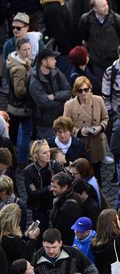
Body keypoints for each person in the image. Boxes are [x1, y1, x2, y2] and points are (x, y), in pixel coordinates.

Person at [62, 77, 108, 181]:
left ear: (90, 89)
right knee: (81, 176)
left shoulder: (98, 100)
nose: (83, 93)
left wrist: (100, 127)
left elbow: (105, 118)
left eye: (86, 90)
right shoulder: (69, 105)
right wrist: (78, 131)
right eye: (80, 90)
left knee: (96, 174)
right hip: (80, 145)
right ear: (75, 91)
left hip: (96, 144)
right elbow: (66, 126)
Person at [78, 0, 120, 75]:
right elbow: (84, 36)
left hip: (115, 60)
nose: (106, 8)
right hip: (97, 61)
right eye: (103, 6)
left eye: (106, 4)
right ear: (94, 8)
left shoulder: (117, 19)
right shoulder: (86, 20)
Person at [29, 49, 72, 140]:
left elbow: (68, 91)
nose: (55, 61)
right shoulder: (34, 81)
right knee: (49, 148)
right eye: (52, 59)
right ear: (44, 62)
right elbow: (44, 103)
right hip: (45, 123)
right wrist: (62, 101)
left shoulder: (56, 72)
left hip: (60, 118)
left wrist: (55, 96)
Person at [23, 140, 65, 230]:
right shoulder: (29, 171)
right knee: (39, 233)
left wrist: (40, 190)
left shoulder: (55, 166)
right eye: (44, 152)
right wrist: (52, 187)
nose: (48, 154)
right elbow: (32, 194)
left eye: (49, 151)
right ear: (36, 155)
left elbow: (65, 185)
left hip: (55, 205)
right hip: (39, 209)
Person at [6, 37, 33, 167]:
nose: (27, 52)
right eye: (24, 50)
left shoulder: (21, 62)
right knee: (25, 133)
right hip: (21, 107)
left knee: (18, 133)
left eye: (29, 49)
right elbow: (19, 91)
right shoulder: (19, 68)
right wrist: (33, 90)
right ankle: (22, 161)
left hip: (15, 106)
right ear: (18, 50)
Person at [41, 0, 79, 64]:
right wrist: (70, 51)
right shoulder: (53, 8)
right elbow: (60, 34)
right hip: (64, 52)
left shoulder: (59, 1)